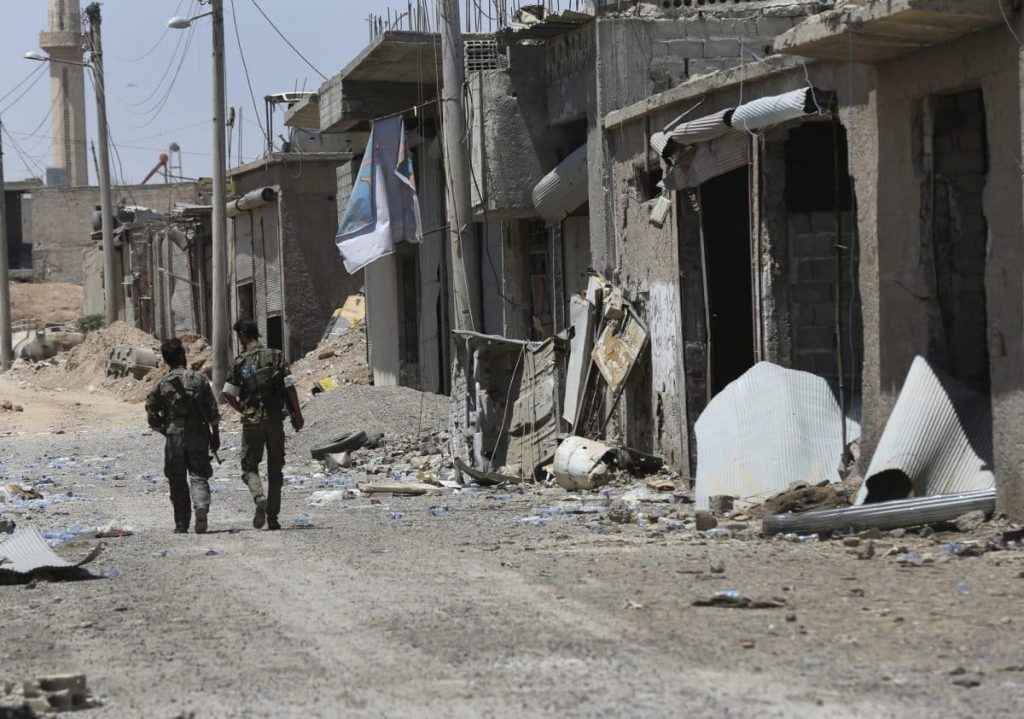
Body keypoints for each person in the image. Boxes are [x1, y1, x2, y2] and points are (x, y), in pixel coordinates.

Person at [222, 319, 304, 530]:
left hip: (252, 422)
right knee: (275, 469)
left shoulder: (239, 363)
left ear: (242, 334)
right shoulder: (276, 356)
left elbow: (228, 394)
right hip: (275, 419)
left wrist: (244, 410)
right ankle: (273, 518)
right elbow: (290, 387)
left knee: (249, 467)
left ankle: (259, 498)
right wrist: (298, 415)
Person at [145, 338, 221, 534]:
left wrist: (164, 429)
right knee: (199, 474)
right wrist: (215, 435)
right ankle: (201, 506)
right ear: (181, 356)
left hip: (174, 437)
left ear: (166, 360)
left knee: (177, 480)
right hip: (198, 434)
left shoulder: (162, 384)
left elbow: (151, 413)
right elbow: (212, 410)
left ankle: (181, 524)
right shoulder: (199, 379)